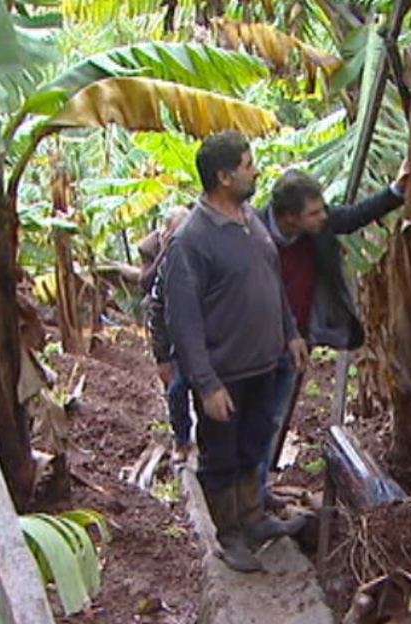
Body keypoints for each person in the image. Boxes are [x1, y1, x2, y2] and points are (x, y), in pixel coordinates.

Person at [161, 131, 307, 573]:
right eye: (248, 164)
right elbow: (183, 321)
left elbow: (272, 282)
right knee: (221, 458)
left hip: (264, 364)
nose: (256, 170)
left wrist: (291, 332)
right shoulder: (193, 239)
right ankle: (228, 534)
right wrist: (206, 385)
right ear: (224, 177)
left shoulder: (249, 219)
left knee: (254, 446)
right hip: (226, 374)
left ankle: (253, 518)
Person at [260, 168, 407, 492]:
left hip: (297, 341)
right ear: (289, 217)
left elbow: (353, 216)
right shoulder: (252, 233)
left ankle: (259, 495)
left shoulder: (316, 228)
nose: (323, 217)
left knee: (272, 419)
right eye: (314, 213)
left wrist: (396, 189)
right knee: (252, 422)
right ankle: (242, 500)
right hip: (257, 345)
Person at [139, 206, 194, 459]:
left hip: (206, 339)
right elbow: (155, 304)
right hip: (178, 342)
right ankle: (181, 440)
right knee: (176, 390)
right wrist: (162, 357)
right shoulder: (158, 255)